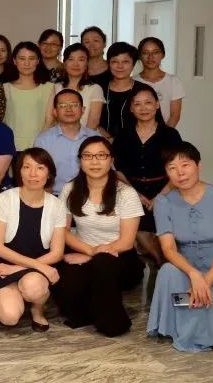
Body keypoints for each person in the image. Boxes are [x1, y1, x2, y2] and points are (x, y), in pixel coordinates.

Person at [148, 142, 213, 352]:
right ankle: (179, 319)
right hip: (189, 269)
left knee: (212, 334)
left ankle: (195, 316)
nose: (180, 173)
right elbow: (168, 249)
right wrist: (194, 275)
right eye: (172, 168)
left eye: (185, 165)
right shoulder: (163, 203)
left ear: (198, 165)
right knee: (168, 272)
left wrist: (206, 281)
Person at [54, 137, 145, 337]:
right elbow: (62, 231)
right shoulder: (71, 189)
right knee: (67, 287)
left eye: (101, 155)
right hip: (84, 251)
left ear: (111, 160)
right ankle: (89, 310)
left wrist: (93, 255)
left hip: (120, 257)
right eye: (88, 156)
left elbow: (126, 242)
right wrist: (89, 251)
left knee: (102, 263)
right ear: (80, 160)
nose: (94, 162)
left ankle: (115, 323)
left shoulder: (125, 193)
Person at [0, 148, 67, 331]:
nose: (33, 174)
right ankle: (16, 293)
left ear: (49, 174)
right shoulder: (4, 199)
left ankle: (38, 309)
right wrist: (13, 269)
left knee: (33, 287)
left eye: (40, 168)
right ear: (19, 171)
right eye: (27, 167)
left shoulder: (57, 205)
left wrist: (18, 268)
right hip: (3, 267)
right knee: (9, 317)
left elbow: (57, 253)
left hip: (36, 269)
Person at [113, 87, 183, 264]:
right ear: (131, 108)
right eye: (137, 104)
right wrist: (135, 194)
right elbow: (118, 170)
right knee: (137, 225)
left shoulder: (170, 135)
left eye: (148, 103)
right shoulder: (123, 135)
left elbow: (177, 169)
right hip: (131, 188)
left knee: (166, 227)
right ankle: (161, 262)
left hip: (166, 188)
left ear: (157, 105)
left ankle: (167, 261)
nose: (143, 108)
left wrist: (159, 197)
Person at [34, 89, 102, 195]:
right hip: (55, 196)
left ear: (83, 110)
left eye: (74, 105)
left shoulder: (96, 138)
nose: (69, 109)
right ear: (55, 112)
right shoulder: (43, 140)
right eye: (62, 106)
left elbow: (108, 170)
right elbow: (36, 175)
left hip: (91, 196)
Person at [101, 42, 159, 139]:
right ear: (108, 64)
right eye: (115, 62)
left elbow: (156, 122)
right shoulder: (99, 89)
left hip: (137, 143)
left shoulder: (144, 90)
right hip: (102, 143)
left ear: (133, 64)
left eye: (125, 62)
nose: (120, 66)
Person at [4, 41, 56, 150]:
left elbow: (49, 120)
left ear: (38, 61)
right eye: (22, 59)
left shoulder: (48, 87)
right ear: (15, 61)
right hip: (9, 146)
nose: (26, 63)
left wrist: (38, 144)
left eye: (31, 58)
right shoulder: (5, 88)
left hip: (40, 146)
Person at [135, 37, 185, 127]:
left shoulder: (173, 81)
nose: (150, 57)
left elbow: (175, 116)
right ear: (139, 56)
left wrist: (164, 134)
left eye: (155, 52)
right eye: (145, 53)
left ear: (163, 55)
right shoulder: (133, 81)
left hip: (165, 133)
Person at [52, 43, 104, 129]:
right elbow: (52, 119)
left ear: (87, 64)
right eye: (71, 59)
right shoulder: (56, 87)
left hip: (87, 136)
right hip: (59, 136)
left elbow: (93, 123)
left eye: (81, 60)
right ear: (64, 63)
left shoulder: (95, 89)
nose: (75, 64)